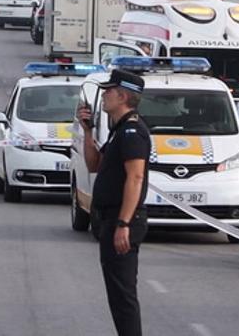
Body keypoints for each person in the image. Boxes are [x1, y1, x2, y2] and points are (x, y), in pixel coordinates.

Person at [76, 69, 150, 336]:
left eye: (108, 91)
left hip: (122, 220)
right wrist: (87, 132)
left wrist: (123, 223)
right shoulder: (119, 131)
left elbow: (136, 177)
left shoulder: (132, 131)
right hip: (109, 219)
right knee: (117, 295)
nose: (104, 96)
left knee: (123, 296)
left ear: (123, 96)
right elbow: (94, 164)